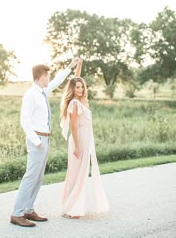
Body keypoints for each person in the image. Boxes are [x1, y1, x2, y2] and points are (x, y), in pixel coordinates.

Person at [11, 57, 79, 227]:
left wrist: (70, 67)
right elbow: (24, 121)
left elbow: (57, 81)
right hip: (37, 141)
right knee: (30, 177)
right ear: (41, 77)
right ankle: (17, 214)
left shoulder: (43, 92)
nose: (49, 79)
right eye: (47, 77)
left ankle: (28, 209)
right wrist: (37, 142)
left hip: (45, 139)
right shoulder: (30, 95)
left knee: (39, 178)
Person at [60, 59, 109, 219]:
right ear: (73, 89)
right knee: (77, 175)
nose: (80, 89)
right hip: (79, 141)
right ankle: (71, 208)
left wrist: (79, 67)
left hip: (85, 141)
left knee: (79, 174)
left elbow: (76, 80)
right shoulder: (74, 104)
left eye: (82, 86)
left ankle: (70, 207)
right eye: (77, 87)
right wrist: (77, 147)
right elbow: (73, 126)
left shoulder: (80, 101)